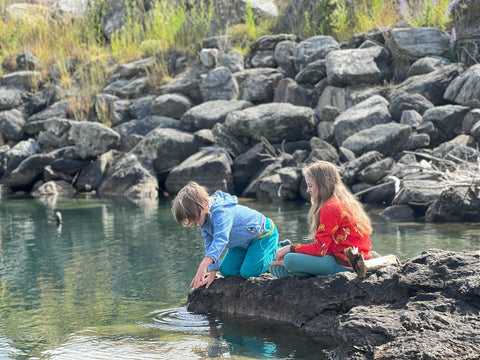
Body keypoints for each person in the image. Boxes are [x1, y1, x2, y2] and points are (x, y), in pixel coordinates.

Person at [271, 161, 372, 277]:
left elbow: (320, 249)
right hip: (360, 259)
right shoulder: (346, 201)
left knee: (289, 259)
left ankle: (294, 271)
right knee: (296, 257)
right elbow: (327, 248)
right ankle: (299, 271)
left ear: (322, 185)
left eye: (310, 185)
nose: (308, 190)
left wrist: (289, 248)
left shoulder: (330, 207)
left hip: (345, 265)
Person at [172, 181, 279, 289]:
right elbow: (209, 243)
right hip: (241, 243)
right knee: (227, 271)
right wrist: (212, 272)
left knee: (248, 272)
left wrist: (204, 263)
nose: (194, 223)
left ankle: (277, 251)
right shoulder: (203, 218)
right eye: (190, 221)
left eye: (194, 218)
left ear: (204, 205)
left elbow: (221, 238)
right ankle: (252, 255)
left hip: (262, 235)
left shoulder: (221, 211)